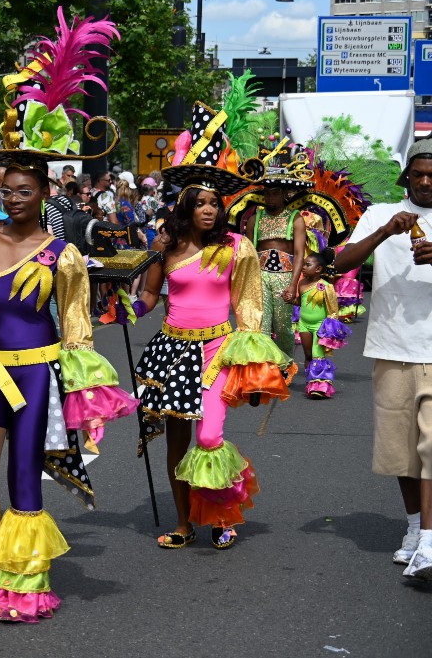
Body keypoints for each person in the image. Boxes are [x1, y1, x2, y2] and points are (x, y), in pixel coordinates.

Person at [0, 9, 134, 623]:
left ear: (45, 192)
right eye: (4, 189)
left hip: (37, 374)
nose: (11, 198)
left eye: (23, 190)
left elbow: (78, 327)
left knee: (24, 484)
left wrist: (85, 390)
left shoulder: (66, 256)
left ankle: (23, 582)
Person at [131, 93, 293, 552]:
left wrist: (257, 366)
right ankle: (184, 522)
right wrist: (127, 311)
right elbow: (147, 294)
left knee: (209, 434)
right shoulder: (167, 247)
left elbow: (248, 304)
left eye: (215, 203)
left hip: (216, 351)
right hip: (171, 351)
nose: (209, 209)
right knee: (177, 443)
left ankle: (222, 514)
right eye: (200, 203)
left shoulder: (237, 247)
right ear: (185, 205)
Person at [334, 138, 432, 579]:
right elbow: (340, 263)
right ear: (406, 178)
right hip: (391, 347)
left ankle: (429, 542)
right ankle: (414, 529)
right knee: (402, 453)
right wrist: (384, 232)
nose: (426, 182)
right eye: (419, 175)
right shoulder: (379, 215)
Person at [240, 171, 309, 357]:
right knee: (261, 325)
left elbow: (299, 253)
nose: (270, 197)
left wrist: (293, 284)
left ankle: (285, 365)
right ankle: (264, 368)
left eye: (275, 193)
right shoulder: (255, 219)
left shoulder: (295, 218)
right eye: (267, 193)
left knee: (284, 327)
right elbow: (248, 253)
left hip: (285, 277)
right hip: (260, 276)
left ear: (285, 194)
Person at [293, 250, 350, 399]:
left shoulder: (325, 286)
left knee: (317, 355)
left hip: (319, 325)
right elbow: (299, 303)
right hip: (304, 324)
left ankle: (320, 386)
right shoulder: (302, 283)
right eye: (303, 264)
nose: (303, 267)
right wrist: (290, 299)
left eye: (307, 264)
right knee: (308, 354)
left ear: (318, 269)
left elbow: (333, 309)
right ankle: (310, 380)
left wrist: (331, 329)